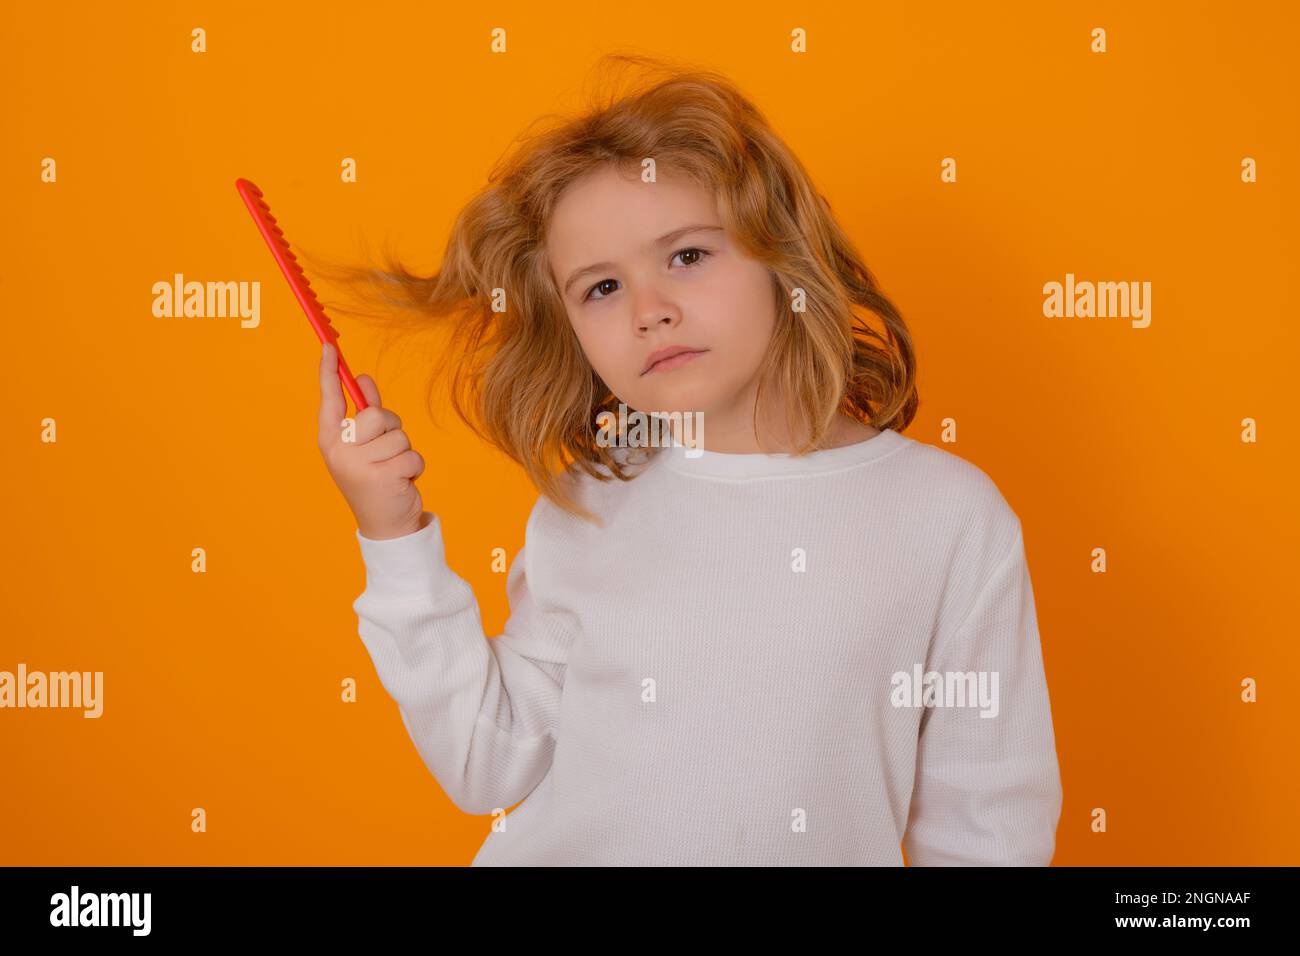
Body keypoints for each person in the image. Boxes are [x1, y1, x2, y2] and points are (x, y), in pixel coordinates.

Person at [314, 56, 1063, 865]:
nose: (650, 311)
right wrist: (395, 540)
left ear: (783, 256)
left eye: (688, 256)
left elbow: (989, 824)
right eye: (601, 288)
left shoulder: (946, 516)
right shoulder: (588, 504)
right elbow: (487, 763)